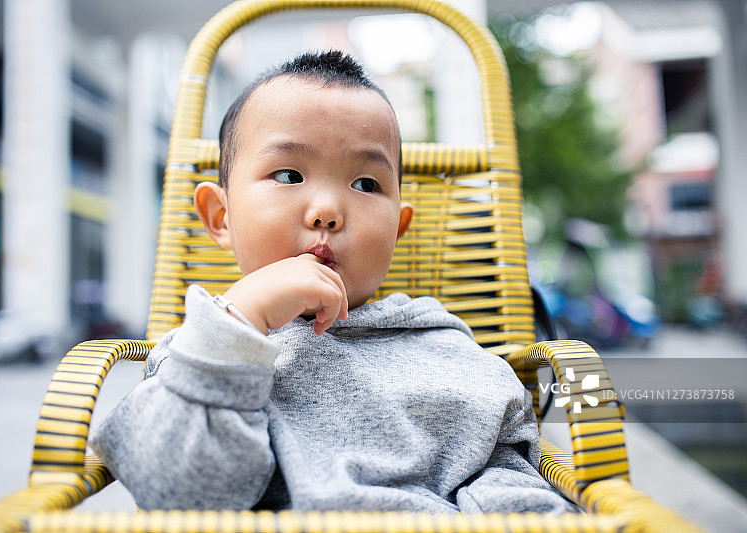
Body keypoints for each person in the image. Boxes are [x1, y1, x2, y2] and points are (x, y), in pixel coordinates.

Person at [90, 50, 576, 514]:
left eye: (366, 184)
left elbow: (508, 473)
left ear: (398, 228)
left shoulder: (446, 350)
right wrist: (238, 323)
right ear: (220, 216)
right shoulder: (199, 354)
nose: (326, 211)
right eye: (288, 174)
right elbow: (176, 493)